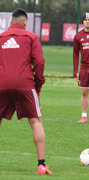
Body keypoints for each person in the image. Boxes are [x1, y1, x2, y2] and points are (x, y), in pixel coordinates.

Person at [0, 8, 52, 175]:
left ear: (10, 22)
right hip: (25, 84)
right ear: (25, 22)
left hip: (1, 84)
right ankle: (42, 165)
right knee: (35, 121)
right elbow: (39, 63)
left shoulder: (0, 38)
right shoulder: (31, 37)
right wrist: (38, 84)